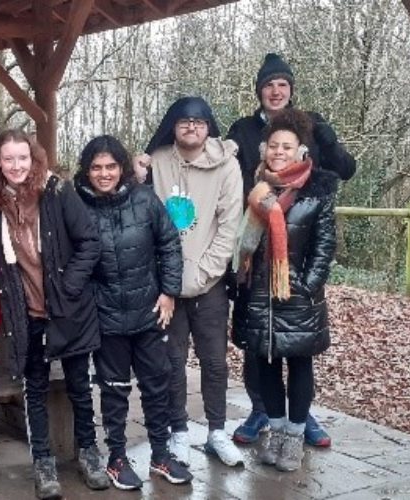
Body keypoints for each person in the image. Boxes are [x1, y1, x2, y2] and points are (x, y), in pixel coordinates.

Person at [226, 53, 355, 448]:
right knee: (257, 343)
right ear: (259, 91)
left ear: (291, 90)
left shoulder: (310, 125)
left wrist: (329, 140)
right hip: (253, 246)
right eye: (269, 85)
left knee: (298, 348)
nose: (276, 91)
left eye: (282, 84)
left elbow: (343, 171)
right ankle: (260, 409)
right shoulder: (243, 130)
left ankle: (301, 418)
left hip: (297, 250)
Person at [0, 129, 108, 499]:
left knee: (79, 386)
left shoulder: (56, 192)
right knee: (33, 387)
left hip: (69, 307)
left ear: (33, 158)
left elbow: (89, 242)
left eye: (22, 158)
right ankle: (43, 461)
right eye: (8, 159)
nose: (16, 166)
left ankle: (89, 452)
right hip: (26, 312)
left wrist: (68, 285)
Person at [73, 135, 193, 490]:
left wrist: (170, 292)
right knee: (114, 389)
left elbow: (170, 245)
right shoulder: (77, 205)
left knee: (157, 384)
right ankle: (117, 458)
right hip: (106, 316)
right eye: (96, 167)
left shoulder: (144, 199)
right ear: (87, 170)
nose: (104, 174)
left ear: (122, 167)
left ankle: (160, 454)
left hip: (149, 312)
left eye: (111, 166)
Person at [134, 96, 246, 467]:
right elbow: (141, 211)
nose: (192, 127)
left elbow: (229, 227)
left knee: (214, 361)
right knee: (172, 361)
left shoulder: (227, 166)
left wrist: (201, 275)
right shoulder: (158, 161)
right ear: (173, 125)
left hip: (208, 281)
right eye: (184, 121)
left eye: (199, 122)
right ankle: (178, 431)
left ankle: (217, 430)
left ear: (208, 126)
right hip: (166, 285)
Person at [232, 109, 337, 472]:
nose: (279, 152)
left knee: (299, 364)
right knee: (265, 365)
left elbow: (324, 246)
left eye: (287, 146)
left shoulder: (317, 191)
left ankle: (294, 436)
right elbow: (243, 244)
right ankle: (275, 430)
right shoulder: (256, 188)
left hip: (297, 295)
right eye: (273, 145)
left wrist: (307, 285)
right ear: (264, 149)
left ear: (301, 151)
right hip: (259, 294)